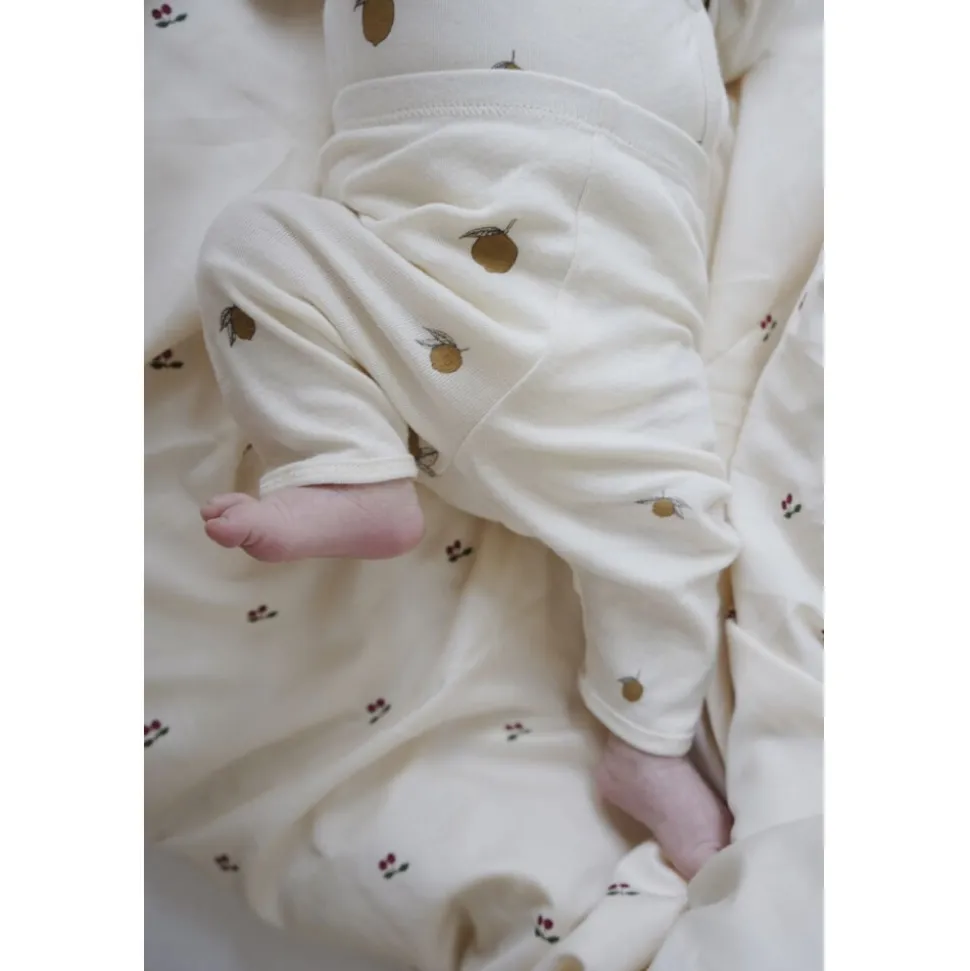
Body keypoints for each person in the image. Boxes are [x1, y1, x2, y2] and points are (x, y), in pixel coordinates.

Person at [197, 0, 737, 881]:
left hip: (619, 320)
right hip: (412, 286)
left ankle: (649, 741)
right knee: (248, 244)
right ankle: (347, 462)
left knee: (676, 527)